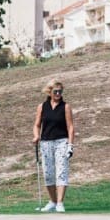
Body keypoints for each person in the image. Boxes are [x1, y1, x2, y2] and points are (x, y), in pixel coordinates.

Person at [33, 78, 75, 212]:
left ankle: (60, 203)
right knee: (48, 173)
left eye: (60, 91)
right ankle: (53, 201)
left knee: (61, 171)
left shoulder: (65, 106)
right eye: (56, 91)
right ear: (49, 92)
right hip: (45, 142)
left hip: (61, 141)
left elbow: (70, 127)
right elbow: (37, 125)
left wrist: (70, 145)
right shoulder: (42, 106)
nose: (58, 94)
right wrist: (36, 136)